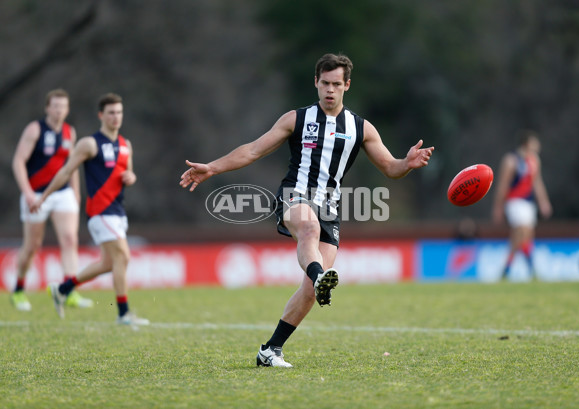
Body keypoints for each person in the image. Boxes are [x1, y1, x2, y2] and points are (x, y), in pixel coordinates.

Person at [180, 53, 434, 367]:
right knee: (310, 233)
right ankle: (319, 277)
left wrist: (407, 164)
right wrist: (213, 168)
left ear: (347, 86)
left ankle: (270, 350)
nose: (330, 90)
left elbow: (390, 168)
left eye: (336, 84)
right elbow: (253, 149)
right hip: (294, 194)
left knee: (311, 291)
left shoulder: (361, 128)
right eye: (325, 83)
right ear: (315, 82)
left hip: (330, 207)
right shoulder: (296, 119)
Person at [31, 92, 149, 326]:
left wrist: (131, 177)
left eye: (119, 112)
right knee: (123, 256)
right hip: (100, 211)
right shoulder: (89, 143)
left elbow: (129, 173)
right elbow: (65, 172)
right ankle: (123, 313)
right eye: (111, 113)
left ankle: (62, 289)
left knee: (108, 263)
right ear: (101, 115)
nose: (116, 117)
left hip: (118, 212)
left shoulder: (126, 145)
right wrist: (43, 196)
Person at [11, 89, 92, 311]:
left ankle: (68, 291)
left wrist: (75, 191)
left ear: (67, 109)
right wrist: (27, 192)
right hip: (36, 194)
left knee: (69, 240)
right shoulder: (35, 129)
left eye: (63, 106)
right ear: (48, 108)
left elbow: (71, 166)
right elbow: (18, 161)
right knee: (32, 246)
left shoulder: (69, 132)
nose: (59, 110)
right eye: (55, 106)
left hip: (62, 193)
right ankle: (18, 289)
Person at [492, 130, 552, 279]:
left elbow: (537, 183)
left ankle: (512, 269)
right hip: (514, 201)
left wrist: (543, 201)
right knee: (521, 231)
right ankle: (518, 269)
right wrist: (498, 207)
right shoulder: (511, 160)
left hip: (528, 203)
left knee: (526, 236)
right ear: (526, 143)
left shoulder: (534, 160)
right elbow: (503, 185)